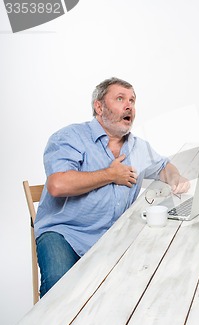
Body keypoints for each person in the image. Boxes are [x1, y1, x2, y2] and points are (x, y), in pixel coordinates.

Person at [34, 77, 190, 297]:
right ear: (99, 107)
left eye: (132, 101)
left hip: (111, 236)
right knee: (59, 292)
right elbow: (57, 185)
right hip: (65, 233)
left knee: (152, 282)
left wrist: (176, 177)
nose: (129, 106)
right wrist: (110, 175)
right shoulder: (70, 137)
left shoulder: (138, 147)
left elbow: (165, 166)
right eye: (120, 99)